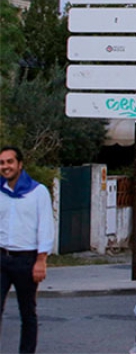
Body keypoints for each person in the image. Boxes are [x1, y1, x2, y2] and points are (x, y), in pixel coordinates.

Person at [0, 146, 54, 354]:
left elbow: (45, 227)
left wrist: (41, 260)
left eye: (9, 162)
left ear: (19, 164)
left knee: (27, 312)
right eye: (2, 163)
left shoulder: (37, 192)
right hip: (2, 258)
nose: (5, 167)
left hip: (27, 260)